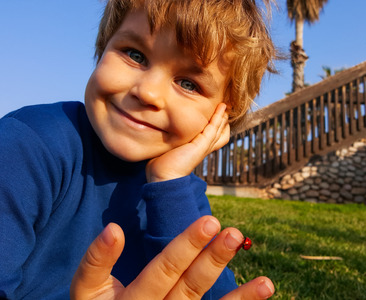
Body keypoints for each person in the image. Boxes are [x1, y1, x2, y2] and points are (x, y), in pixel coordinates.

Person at [0, 0, 277, 299]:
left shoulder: (182, 194)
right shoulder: (28, 143)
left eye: (188, 84)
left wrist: (168, 182)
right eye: (135, 55)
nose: (147, 92)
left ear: (220, 117)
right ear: (104, 47)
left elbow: (205, 291)